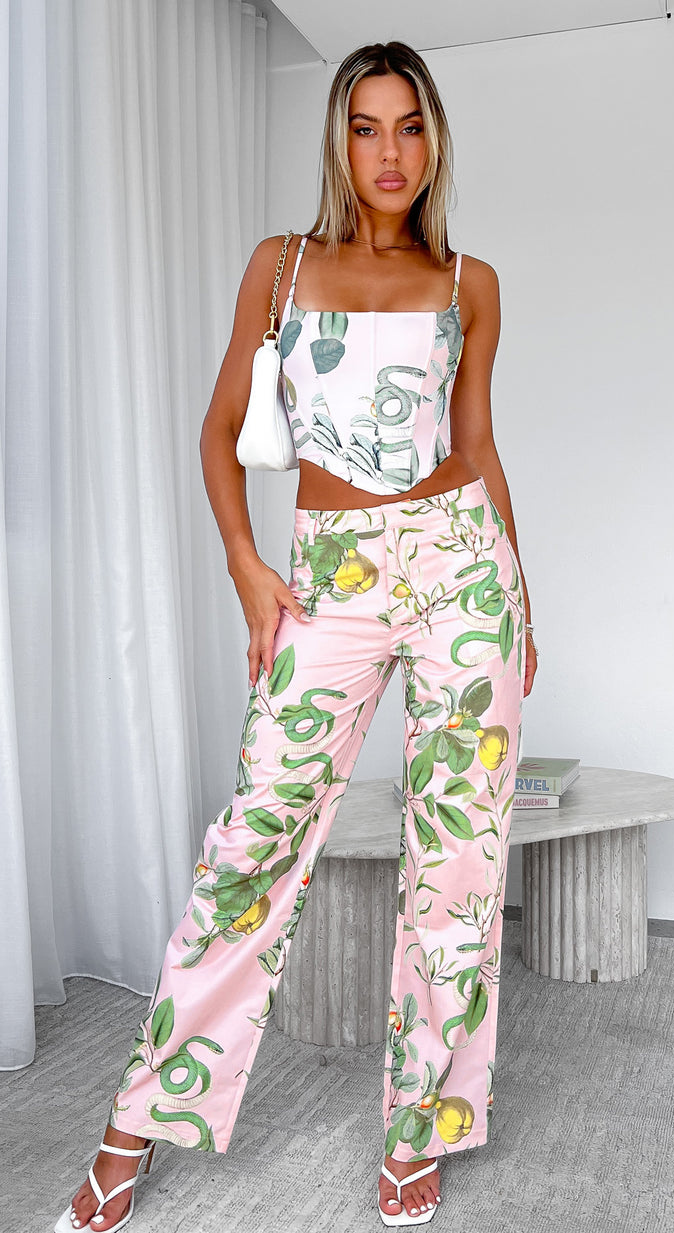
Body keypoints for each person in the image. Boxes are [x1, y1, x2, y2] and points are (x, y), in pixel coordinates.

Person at [56, 39, 537, 1233]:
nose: (388, 153)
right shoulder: (280, 268)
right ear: (339, 141)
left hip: (462, 569)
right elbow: (220, 430)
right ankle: (134, 1124)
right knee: (253, 839)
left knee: (459, 861)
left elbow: (476, 447)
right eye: (366, 128)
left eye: (409, 128)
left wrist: (521, 602)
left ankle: (421, 1126)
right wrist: (245, 567)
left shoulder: (469, 281)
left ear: (433, 142)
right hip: (330, 572)